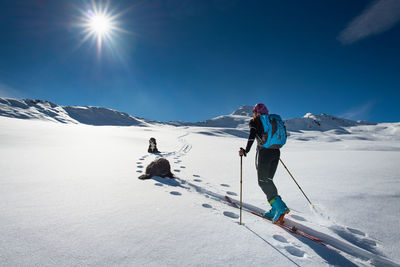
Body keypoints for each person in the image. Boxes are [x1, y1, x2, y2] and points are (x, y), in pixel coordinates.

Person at [239, 103, 289, 223]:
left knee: (262, 181)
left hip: (264, 153)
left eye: (254, 112)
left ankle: (280, 207)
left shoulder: (255, 121)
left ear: (256, 112)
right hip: (276, 152)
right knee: (268, 180)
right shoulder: (273, 120)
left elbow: (252, 136)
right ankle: (274, 208)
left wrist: (245, 150)